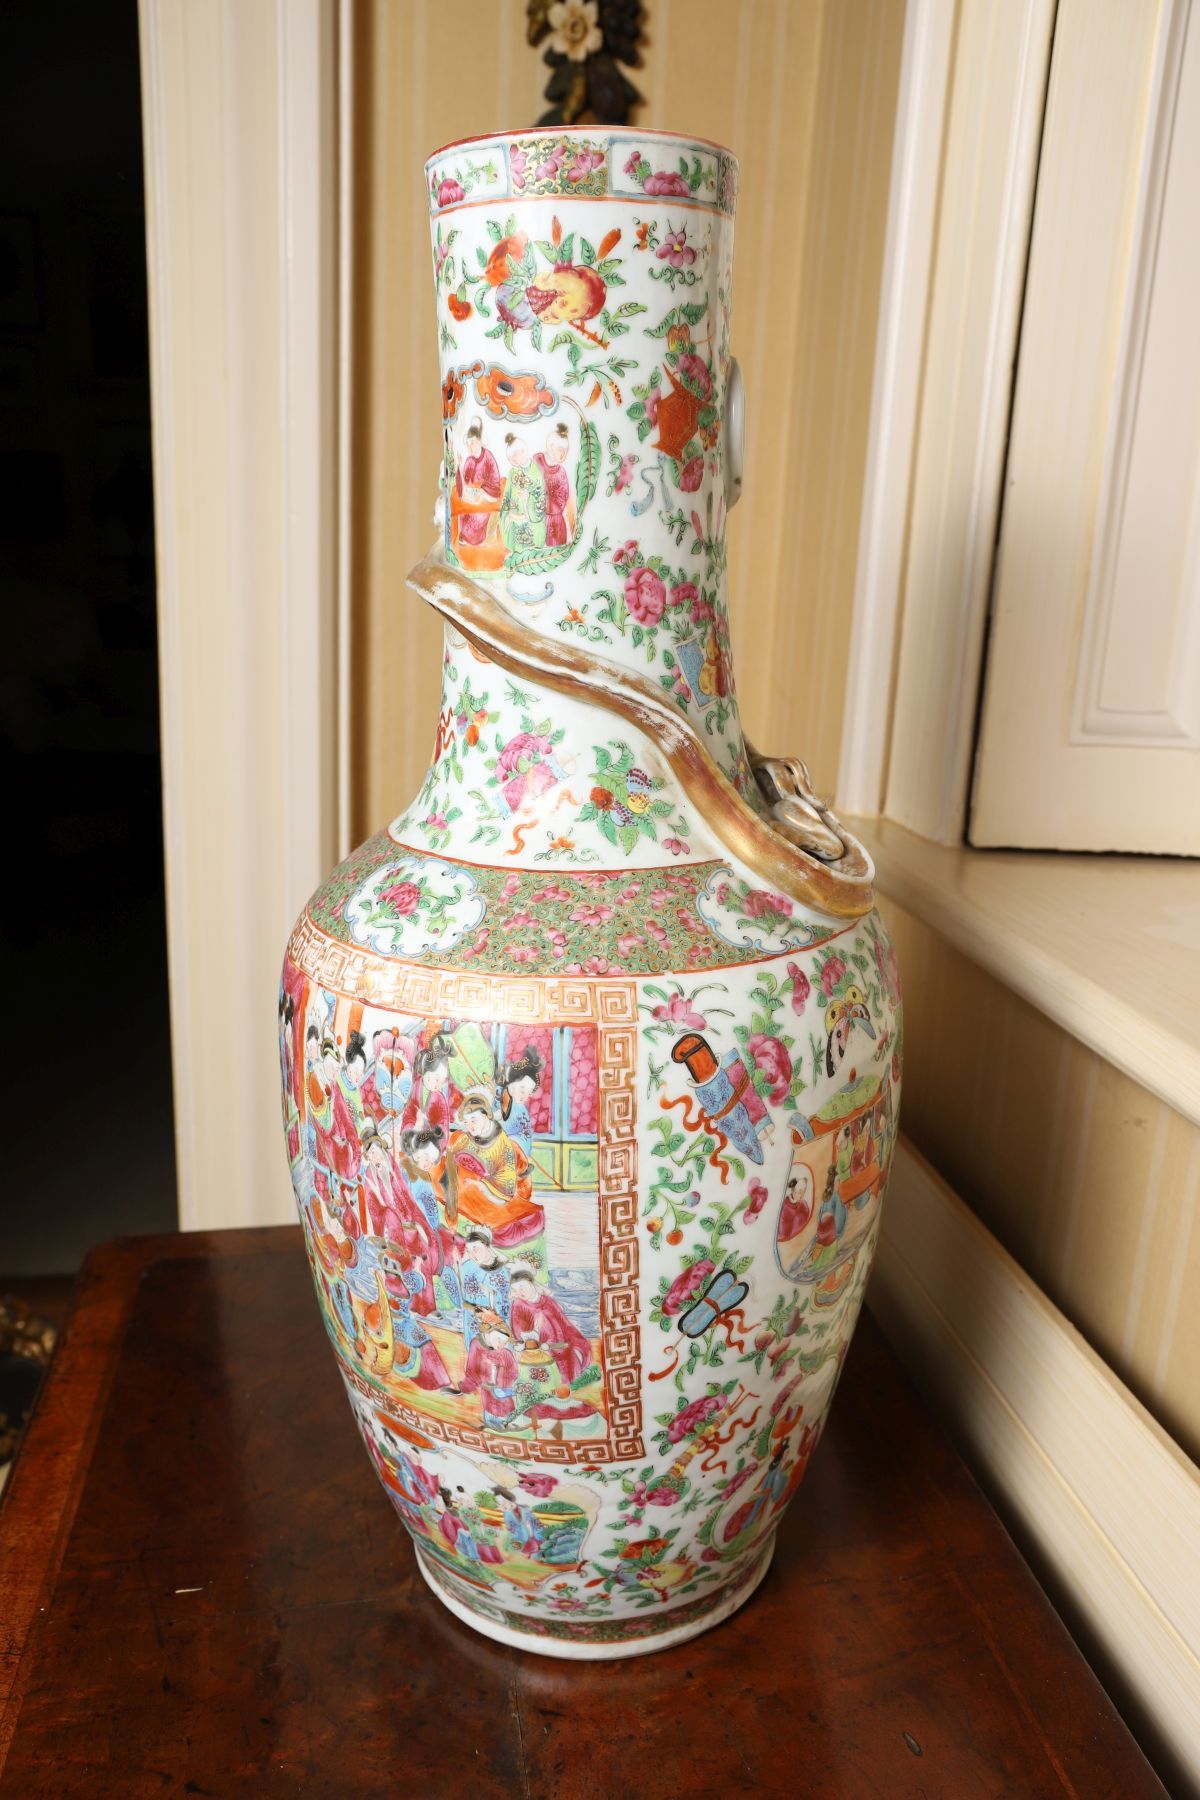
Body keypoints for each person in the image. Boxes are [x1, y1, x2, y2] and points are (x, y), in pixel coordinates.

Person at [448, 1092, 544, 1247]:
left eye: (473, 1120)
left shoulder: (502, 1146)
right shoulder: (464, 1138)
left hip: (493, 1197)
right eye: (466, 1122)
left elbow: (505, 1191)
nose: (470, 1126)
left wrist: (481, 1186)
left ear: (485, 1116)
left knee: (509, 1228)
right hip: (461, 1189)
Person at [508, 1265, 590, 1385]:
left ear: (531, 1283)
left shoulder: (549, 1301)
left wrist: (571, 1341)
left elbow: (564, 1324)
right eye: (515, 1290)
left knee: (573, 1354)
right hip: (538, 1348)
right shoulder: (518, 1304)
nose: (519, 1293)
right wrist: (536, 1333)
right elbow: (518, 1332)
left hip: (559, 1344)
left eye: (522, 1287)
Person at [461, 1316, 521, 1429]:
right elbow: (472, 1368)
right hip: (488, 1388)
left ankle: (506, 1423)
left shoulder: (505, 1352)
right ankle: (491, 1423)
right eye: (498, 1340)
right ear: (489, 1333)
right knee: (490, 1406)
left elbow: (514, 1370)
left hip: (504, 1388)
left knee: (506, 1407)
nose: (500, 1345)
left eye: (504, 1342)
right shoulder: (477, 1345)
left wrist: (508, 1382)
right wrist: (469, 1384)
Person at [459, 1226, 511, 1352]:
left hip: (498, 1328)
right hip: (473, 1325)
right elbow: (461, 1299)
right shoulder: (467, 1268)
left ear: (486, 1245)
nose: (472, 1255)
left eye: (475, 1249)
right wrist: (476, 1311)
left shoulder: (503, 1272)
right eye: (468, 1251)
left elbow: (506, 1306)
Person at [455, 420, 502, 546]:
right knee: (464, 514)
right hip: (472, 498)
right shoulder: (469, 461)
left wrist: (483, 493)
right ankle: (464, 537)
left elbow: (495, 483)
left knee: (477, 517)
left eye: (473, 443)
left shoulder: (488, 458)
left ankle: (477, 539)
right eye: (468, 444)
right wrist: (459, 465)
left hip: (487, 498)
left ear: (480, 441)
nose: (470, 447)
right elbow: (463, 485)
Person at [498, 432, 546, 554]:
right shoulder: (512, 472)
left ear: (523, 451)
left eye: (515, 455)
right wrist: (508, 513)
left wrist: (527, 499)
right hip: (515, 519)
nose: (512, 460)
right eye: (510, 458)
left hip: (531, 520)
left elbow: (540, 498)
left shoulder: (536, 471)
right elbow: (507, 496)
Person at [498, 1043, 545, 1158]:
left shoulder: (520, 1109)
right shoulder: (498, 1095)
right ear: (512, 1084)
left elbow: (524, 1136)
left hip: (514, 1150)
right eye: (523, 1090)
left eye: (528, 1093)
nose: (524, 1096)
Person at [534, 422, 574, 548]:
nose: (563, 455)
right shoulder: (537, 462)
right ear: (550, 447)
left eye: (566, 451)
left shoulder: (561, 472)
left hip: (556, 522)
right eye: (560, 450)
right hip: (538, 518)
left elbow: (564, 500)